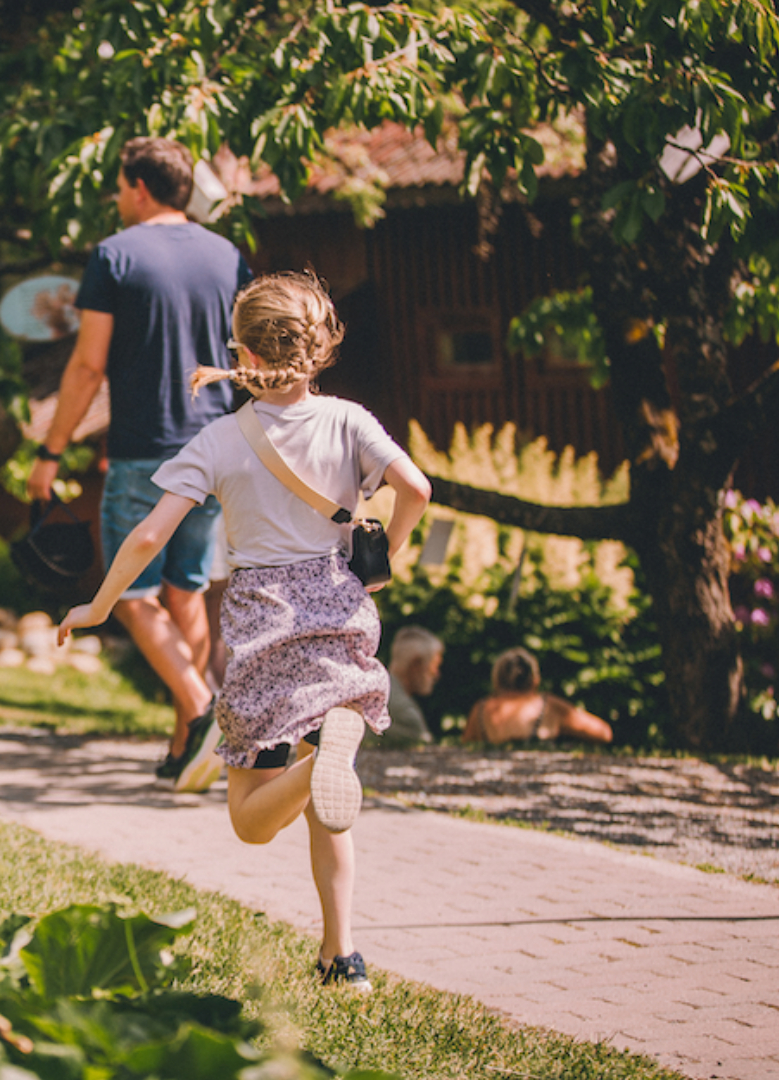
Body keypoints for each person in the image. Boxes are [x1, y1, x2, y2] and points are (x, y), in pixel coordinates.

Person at [59, 272, 432, 991]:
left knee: (252, 823)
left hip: (266, 623)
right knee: (330, 798)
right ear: (320, 347)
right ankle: (341, 955)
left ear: (243, 352)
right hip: (341, 609)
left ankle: (315, 772)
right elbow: (416, 489)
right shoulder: (351, 420)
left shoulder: (222, 439)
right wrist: (390, 556)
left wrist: (100, 606)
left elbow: (146, 537)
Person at [27, 136, 253, 792]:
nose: (117, 197)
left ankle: (203, 705)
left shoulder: (114, 255)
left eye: (120, 186)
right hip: (216, 445)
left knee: (127, 593)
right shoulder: (226, 254)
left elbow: (88, 363)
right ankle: (189, 745)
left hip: (143, 450)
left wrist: (51, 450)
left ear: (141, 188)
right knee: (186, 588)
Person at [465, 647, 614, 745]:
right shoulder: (548, 705)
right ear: (535, 680)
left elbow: (465, 745)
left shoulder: (481, 708)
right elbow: (603, 733)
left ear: (496, 679)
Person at [367, 625, 442, 748]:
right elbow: (425, 750)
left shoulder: (373, 689)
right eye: (434, 666)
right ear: (416, 665)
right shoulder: (404, 712)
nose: (437, 674)